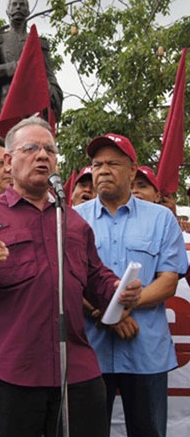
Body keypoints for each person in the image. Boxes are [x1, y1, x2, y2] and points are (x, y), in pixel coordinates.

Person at [0, 117, 142, 437]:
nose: (43, 156)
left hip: (76, 369)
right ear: (8, 161)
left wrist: (117, 289)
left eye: (49, 149)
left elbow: (94, 274)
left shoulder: (73, 221)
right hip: (10, 371)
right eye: (31, 148)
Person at [75, 133, 187, 437]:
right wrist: (106, 316)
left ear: (133, 170)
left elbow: (167, 281)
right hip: (90, 354)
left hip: (146, 351)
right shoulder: (73, 220)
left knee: (149, 431)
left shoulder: (161, 219)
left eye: (113, 163)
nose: (103, 170)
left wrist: (118, 310)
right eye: (97, 164)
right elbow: (69, 281)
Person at [0, 0, 62, 138]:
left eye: (22, 5)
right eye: (14, 5)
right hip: (6, 104)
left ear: (28, 11)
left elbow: (49, 75)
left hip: (33, 104)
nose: (18, 7)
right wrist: (18, 66)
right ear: (8, 10)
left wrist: (51, 90)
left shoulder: (38, 43)